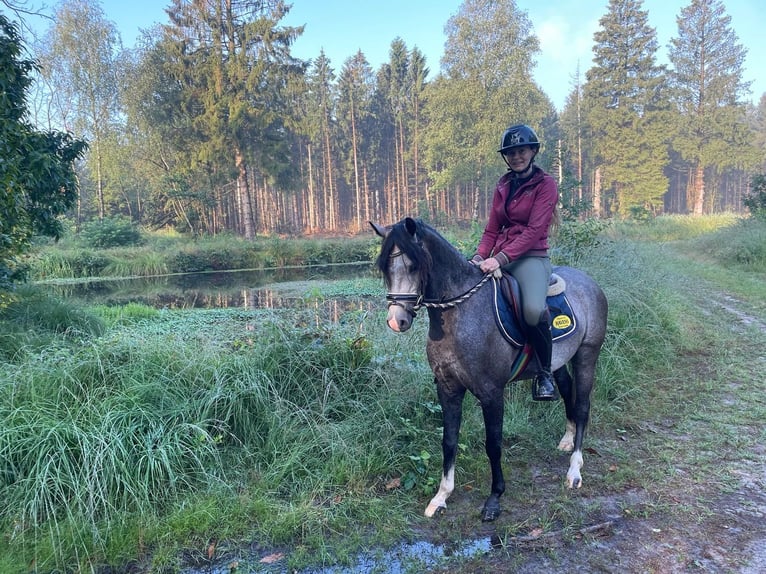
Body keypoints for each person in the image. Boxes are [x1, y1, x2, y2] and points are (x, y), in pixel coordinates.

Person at [470, 124, 559, 401]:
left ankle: (545, 373)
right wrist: (478, 257)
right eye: (511, 153)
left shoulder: (546, 185)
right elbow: (492, 229)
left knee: (532, 311)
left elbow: (534, 231)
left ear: (533, 151)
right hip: (499, 255)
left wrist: (499, 259)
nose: (516, 156)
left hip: (531, 256)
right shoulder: (503, 185)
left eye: (521, 151)